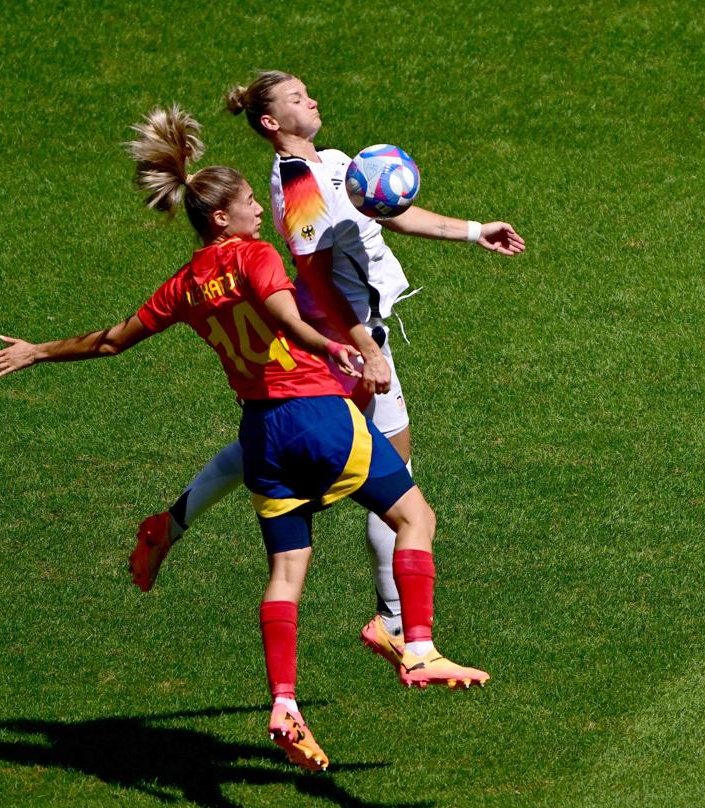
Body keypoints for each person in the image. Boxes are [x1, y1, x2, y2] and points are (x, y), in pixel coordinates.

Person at [0, 106, 489, 772]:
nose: (259, 208)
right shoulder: (254, 255)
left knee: (285, 573)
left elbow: (110, 341)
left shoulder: (183, 287)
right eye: (249, 202)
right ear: (221, 216)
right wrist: (343, 347)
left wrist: (40, 351)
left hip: (262, 433)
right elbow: (286, 314)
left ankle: (284, 703)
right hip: (316, 415)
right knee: (414, 514)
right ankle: (416, 645)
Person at [129, 71, 525, 676]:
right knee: (389, 476)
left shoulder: (341, 162)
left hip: (356, 337)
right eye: (294, 98)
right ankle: (397, 628)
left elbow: (391, 214)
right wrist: (363, 343)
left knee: (289, 447)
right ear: (271, 123)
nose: (310, 100)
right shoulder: (297, 182)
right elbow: (312, 278)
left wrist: (474, 231)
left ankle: (171, 524)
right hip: (340, 343)